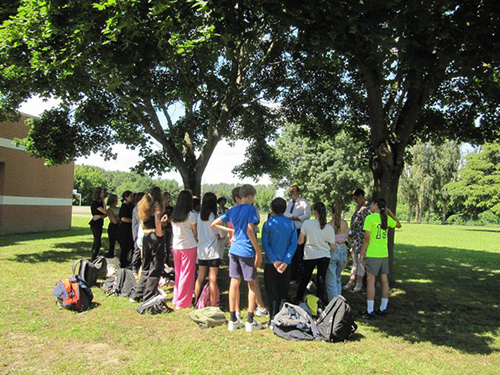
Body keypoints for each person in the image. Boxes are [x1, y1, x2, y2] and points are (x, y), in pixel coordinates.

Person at [211, 184, 263, 332]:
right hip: (246, 250)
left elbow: (214, 224)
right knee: (252, 284)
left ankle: (233, 319)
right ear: (250, 197)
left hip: (233, 250)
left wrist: (231, 230)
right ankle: (250, 320)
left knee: (234, 282)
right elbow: (250, 229)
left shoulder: (232, 210)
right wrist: (258, 252)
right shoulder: (251, 209)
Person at [360, 198, 401, 318]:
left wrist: (363, 252)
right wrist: (390, 213)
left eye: (372, 204)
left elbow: (367, 238)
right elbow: (398, 224)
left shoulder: (370, 218)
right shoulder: (386, 218)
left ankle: (370, 311)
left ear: (376, 205)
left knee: (371, 282)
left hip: (373, 254)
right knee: (384, 281)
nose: (370, 206)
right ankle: (383, 308)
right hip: (384, 254)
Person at [130, 187, 168, 302]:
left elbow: (142, 223)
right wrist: (160, 232)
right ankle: (149, 294)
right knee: (156, 266)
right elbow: (157, 222)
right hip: (155, 236)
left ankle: (137, 293)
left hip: (145, 236)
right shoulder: (157, 205)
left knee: (146, 266)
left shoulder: (142, 205)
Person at [262, 197, 298, 320]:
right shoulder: (291, 224)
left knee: (271, 291)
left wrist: (274, 260)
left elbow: (265, 244)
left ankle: (272, 317)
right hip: (285, 264)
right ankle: (282, 316)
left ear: (272, 208)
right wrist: (286, 260)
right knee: (284, 290)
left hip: (271, 263)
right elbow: (293, 244)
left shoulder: (268, 224)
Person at [295, 202, 336, 304]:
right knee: (321, 278)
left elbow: (300, 241)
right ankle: (320, 300)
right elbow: (332, 246)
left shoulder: (307, 224)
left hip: (310, 254)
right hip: (324, 254)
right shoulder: (328, 227)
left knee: (306, 277)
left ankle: (298, 297)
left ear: (314, 211)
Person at [194, 192, 226, 306]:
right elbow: (222, 235)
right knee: (212, 279)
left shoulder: (198, 216)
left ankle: (196, 300)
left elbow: (197, 233)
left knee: (200, 277)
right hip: (213, 251)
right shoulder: (215, 218)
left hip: (201, 250)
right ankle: (213, 305)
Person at [171, 190, 198, 309]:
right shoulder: (191, 215)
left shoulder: (174, 215)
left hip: (176, 246)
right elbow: (195, 232)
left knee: (178, 273)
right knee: (187, 274)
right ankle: (182, 301)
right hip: (189, 246)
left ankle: (176, 297)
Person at [344, 188, 371, 292]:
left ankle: (359, 283)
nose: (355, 201)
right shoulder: (357, 208)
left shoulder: (368, 209)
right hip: (354, 240)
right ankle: (351, 281)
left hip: (362, 240)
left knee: (361, 262)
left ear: (361, 196)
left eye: (356, 199)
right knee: (355, 261)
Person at [284, 185, 311, 281]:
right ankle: (291, 273)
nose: (293, 194)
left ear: (298, 192)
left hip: (299, 229)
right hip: (289, 230)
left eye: (294, 192)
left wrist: (296, 218)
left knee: (299, 252)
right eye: (291, 192)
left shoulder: (303, 202)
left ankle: (299, 274)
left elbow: (307, 215)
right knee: (290, 252)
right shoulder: (288, 203)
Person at [325, 201, 349, 301]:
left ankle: (333, 303)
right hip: (343, 249)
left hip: (332, 249)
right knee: (338, 278)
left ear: (331, 211)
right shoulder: (345, 223)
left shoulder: (329, 225)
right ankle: (339, 300)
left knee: (331, 279)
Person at [89, 188, 107, 261]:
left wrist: (100, 216)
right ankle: (93, 258)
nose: (103, 194)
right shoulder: (95, 203)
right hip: (95, 224)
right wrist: (102, 215)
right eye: (102, 193)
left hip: (99, 224)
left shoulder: (100, 203)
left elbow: (105, 215)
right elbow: (105, 212)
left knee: (96, 242)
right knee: (98, 243)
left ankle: (94, 256)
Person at [119, 190, 135, 268]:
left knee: (130, 246)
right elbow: (123, 218)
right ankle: (123, 263)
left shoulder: (131, 206)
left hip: (129, 229)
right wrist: (133, 221)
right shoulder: (124, 206)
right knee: (124, 247)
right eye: (131, 196)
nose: (132, 198)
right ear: (126, 197)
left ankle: (128, 261)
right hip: (125, 229)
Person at [131, 192, 145, 272]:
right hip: (137, 230)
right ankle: (133, 266)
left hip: (140, 230)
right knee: (137, 249)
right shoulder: (137, 208)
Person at [105, 194, 119, 258]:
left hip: (119, 227)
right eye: (116, 200)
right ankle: (110, 255)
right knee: (112, 244)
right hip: (113, 227)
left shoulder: (119, 208)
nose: (117, 201)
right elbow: (114, 221)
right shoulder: (109, 210)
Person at [162, 192, 174, 267]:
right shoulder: (160, 208)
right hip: (161, 228)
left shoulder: (171, 208)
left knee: (168, 245)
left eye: (169, 198)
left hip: (168, 228)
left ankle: (167, 261)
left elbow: (172, 218)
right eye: (166, 198)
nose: (168, 200)